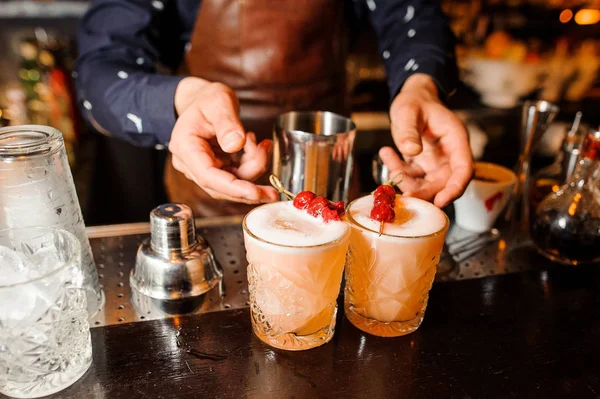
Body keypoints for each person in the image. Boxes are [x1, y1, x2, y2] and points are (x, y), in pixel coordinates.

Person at [75, 0, 473, 217]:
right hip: (209, 204)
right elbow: (98, 71)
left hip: (333, 189)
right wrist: (182, 100)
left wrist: (421, 85)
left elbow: (411, 13)